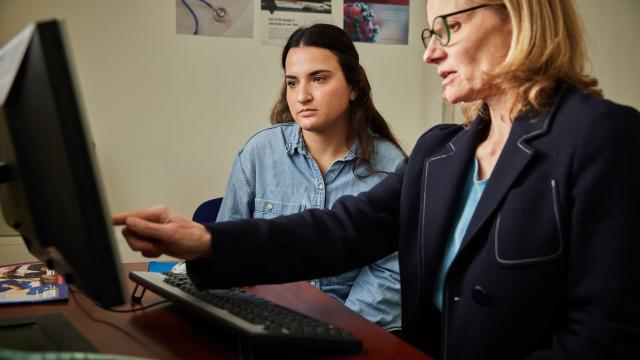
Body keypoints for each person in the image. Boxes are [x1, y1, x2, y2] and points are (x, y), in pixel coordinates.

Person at [114, 0, 640, 358]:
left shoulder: (603, 136)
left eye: (448, 28)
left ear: (520, 16)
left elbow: (604, 337)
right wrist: (205, 240)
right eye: (430, 33)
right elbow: (339, 231)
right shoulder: (441, 151)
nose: (431, 51)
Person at [209, 23, 406, 331]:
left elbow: (390, 274)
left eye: (318, 78)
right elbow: (227, 252)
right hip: (263, 325)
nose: (302, 96)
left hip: (353, 329)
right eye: (291, 82)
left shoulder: (392, 167)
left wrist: (334, 332)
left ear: (353, 86)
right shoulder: (259, 152)